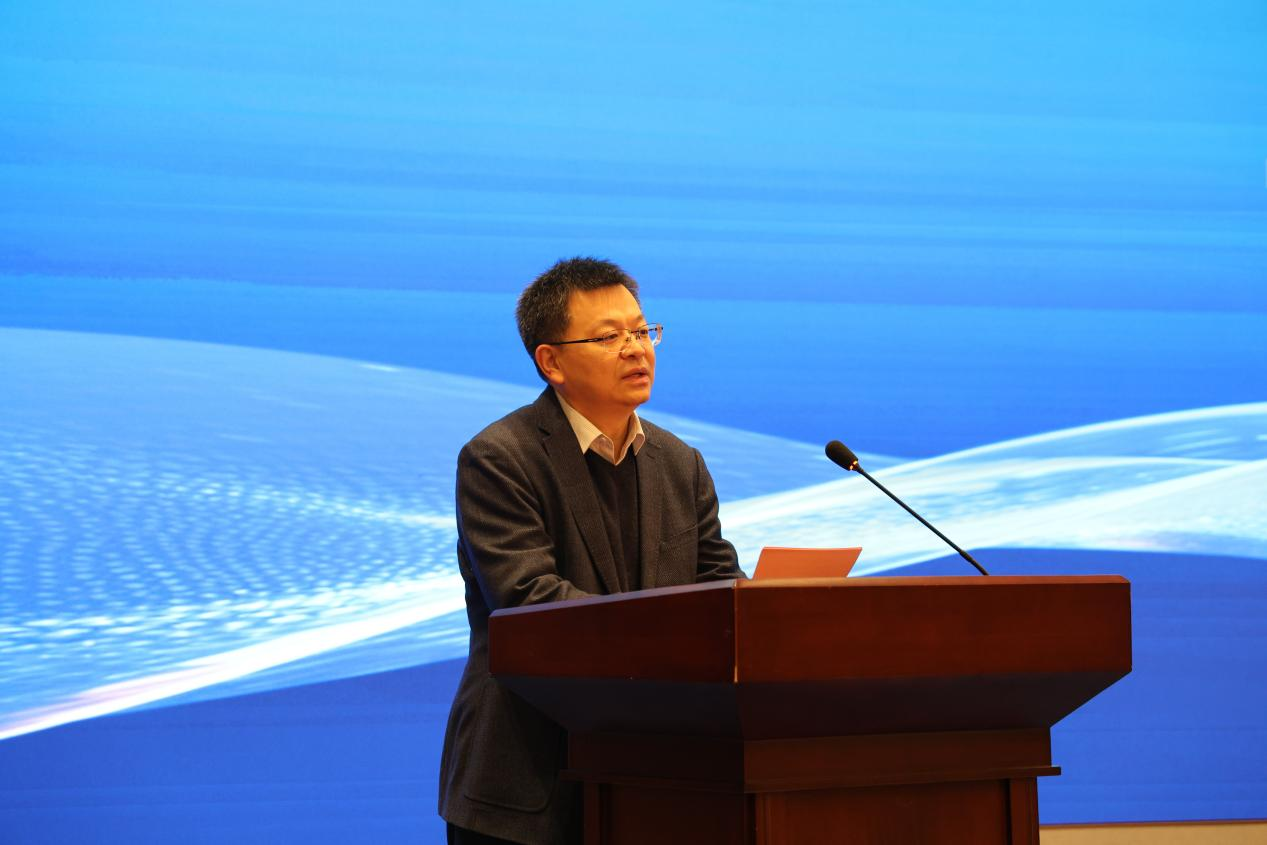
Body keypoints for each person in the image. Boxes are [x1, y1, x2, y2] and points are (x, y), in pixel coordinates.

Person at [437, 257, 744, 844]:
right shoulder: (500, 458)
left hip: (655, 781)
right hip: (528, 786)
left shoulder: (680, 464)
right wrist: (669, 638)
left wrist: (758, 613)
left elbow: (718, 583)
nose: (636, 349)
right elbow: (531, 601)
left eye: (642, 330)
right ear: (551, 362)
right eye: (609, 337)